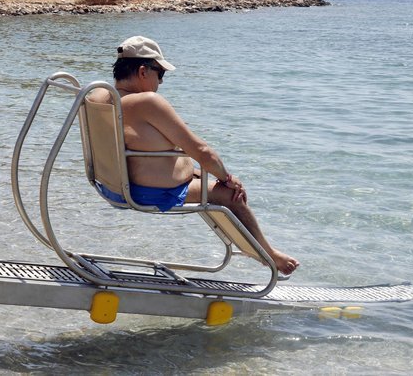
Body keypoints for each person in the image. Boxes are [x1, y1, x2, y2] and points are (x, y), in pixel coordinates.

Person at [87, 36, 299, 275]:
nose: (161, 83)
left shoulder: (98, 96)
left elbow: (136, 150)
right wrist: (227, 178)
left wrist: (196, 171)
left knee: (209, 180)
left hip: (114, 186)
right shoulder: (147, 102)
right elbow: (202, 151)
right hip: (147, 192)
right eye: (160, 74)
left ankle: (254, 249)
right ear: (143, 71)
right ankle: (268, 254)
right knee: (231, 194)